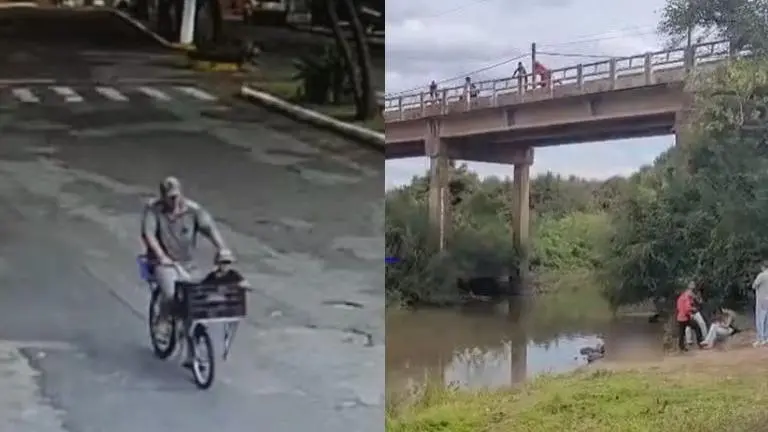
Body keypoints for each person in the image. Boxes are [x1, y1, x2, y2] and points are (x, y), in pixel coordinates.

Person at [141, 176, 233, 368]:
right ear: (163, 197)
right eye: (170, 197)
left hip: (188, 263)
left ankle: (192, 354)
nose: (174, 201)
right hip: (164, 263)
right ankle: (163, 320)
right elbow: (149, 234)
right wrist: (161, 256)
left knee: (199, 302)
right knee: (171, 293)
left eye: (176, 196)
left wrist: (222, 248)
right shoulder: (154, 211)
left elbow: (210, 229)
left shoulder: (193, 211)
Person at [676, 281, 703, 351]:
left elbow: (679, 307)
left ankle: (681, 347)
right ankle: (699, 342)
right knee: (696, 327)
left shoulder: (681, 298)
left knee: (681, 333)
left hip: (680, 317)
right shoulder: (687, 298)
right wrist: (693, 309)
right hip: (685, 318)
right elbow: (688, 308)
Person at [751, 261, 768, 347]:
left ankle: (760, 339)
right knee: (766, 319)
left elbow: (754, 285)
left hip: (761, 299)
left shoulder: (761, 275)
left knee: (760, 319)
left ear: (763, 267)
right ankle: (766, 337)